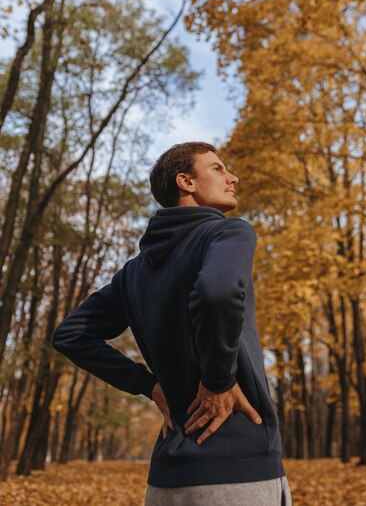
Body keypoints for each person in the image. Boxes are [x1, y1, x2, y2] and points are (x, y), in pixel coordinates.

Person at [52, 141, 292, 506]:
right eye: (217, 168)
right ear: (186, 182)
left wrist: (149, 387)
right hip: (238, 467)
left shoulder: (134, 272)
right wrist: (217, 382)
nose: (233, 178)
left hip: (166, 478)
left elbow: (71, 335)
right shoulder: (227, 233)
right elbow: (216, 293)